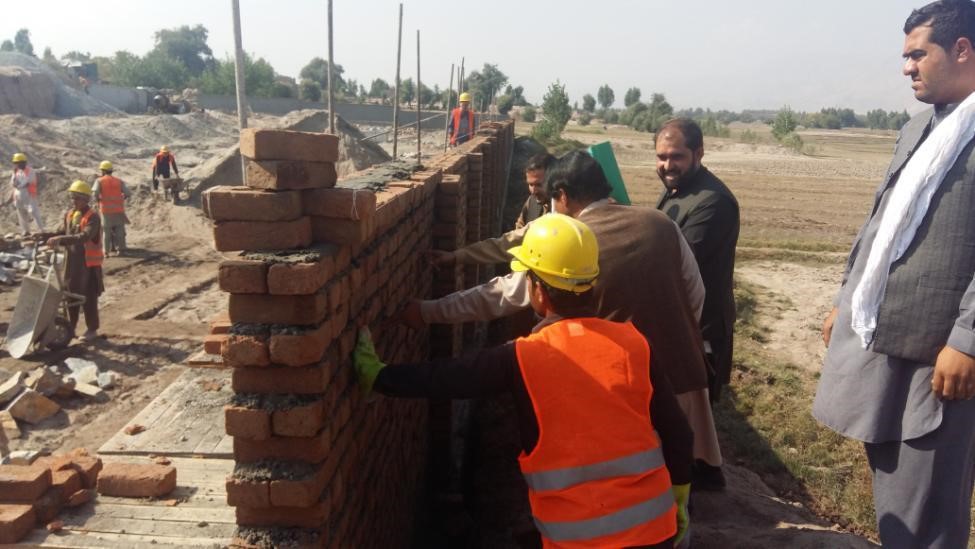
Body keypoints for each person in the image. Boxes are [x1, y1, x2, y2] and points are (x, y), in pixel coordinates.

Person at [356, 214, 693, 548]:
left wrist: (380, 375)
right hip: (654, 530)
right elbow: (678, 432)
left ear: (539, 292)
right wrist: (678, 495)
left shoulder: (523, 357)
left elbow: (448, 377)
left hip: (577, 539)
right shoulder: (635, 344)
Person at [400, 151, 726, 491]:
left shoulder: (572, 241)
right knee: (678, 480)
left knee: (627, 485)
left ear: (563, 196)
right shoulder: (661, 224)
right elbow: (696, 295)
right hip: (687, 377)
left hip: (621, 389)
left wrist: (427, 311)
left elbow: (500, 295)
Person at [813, 2, 975, 547]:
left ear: (961, 49)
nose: (907, 68)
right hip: (883, 339)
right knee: (893, 486)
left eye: (916, 54)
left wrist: (968, 340)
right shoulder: (918, 128)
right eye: (905, 56)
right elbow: (880, 221)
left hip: (939, 356)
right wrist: (847, 295)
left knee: (929, 503)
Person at [654, 118, 740, 406]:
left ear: (699, 153)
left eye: (676, 156)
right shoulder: (678, 190)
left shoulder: (712, 201)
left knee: (692, 425)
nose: (668, 165)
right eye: (661, 157)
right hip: (677, 325)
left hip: (699, 333)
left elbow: (678, 261)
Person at [44, 181, 104, 342]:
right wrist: (43, 236)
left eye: (77, 198)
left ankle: (92, 329)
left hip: (88, 265)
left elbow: (84, 236)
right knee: (71, 296)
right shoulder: (70, 214)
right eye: (72, 198)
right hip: (72, 264)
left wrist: (60, 239)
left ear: (85, 199)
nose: (73, 201)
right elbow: (62, 232)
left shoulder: (93, 217)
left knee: (88, 296)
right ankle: (70, 329)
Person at [91, 160, 130, 256]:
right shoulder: (118, 181)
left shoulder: (99, 181)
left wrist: (98, 200)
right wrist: (121, 199)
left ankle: (106, 252)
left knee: (106, 232)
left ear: (103, 171)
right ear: (111, 171)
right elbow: (128, 193)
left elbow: (95, 193)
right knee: (119, 231)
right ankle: (121, 250)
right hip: (118, 210)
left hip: (106, 211)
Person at [515, 153, 555, 229]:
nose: (533, 191)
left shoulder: (566, 212)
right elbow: (520, 229)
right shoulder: (532, 201)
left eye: (539, 185)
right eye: (530, 184)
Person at [9, 153, 44, 235]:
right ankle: (26, 230)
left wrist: (18, 185)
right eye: (15, 163)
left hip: (28, 193)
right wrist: (14, 176)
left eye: (18, 163)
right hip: (18, 194)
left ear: (23, 162)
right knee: (21, 212)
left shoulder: (30, 171)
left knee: (33, 211)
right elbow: (12, 182)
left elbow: (27, 182)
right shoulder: (16, 171)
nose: (16, 165)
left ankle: (41, 230)